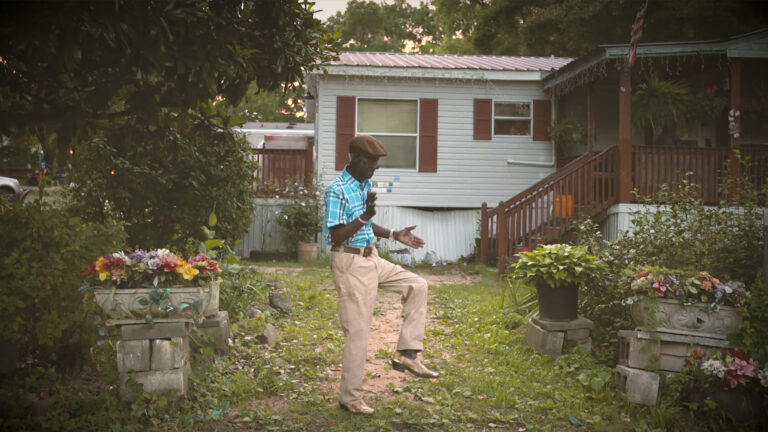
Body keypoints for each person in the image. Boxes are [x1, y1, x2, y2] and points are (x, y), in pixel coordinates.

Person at [323, 134, 439, 415]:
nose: (376, 167)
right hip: (350, 263)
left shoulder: (364, 184)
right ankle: (349, 398)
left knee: (417, 285)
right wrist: (363, 216)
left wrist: (393, 234)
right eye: (373, 162)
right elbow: (336, 234)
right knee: (358, 332)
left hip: (372, 257)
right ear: (357, 159)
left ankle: (406, 354)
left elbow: (366, 222)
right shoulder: (336, 189)